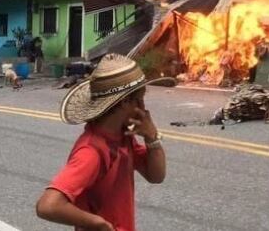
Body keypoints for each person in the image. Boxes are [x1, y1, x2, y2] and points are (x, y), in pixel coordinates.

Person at [36, 54, 171, 230]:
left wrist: (151, 137)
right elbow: (48, 206)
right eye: (140, 99)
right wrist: (97, 223)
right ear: (125, 102)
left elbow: (156, 176)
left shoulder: (123, 136)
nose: (144, 108)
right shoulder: (92, 151)